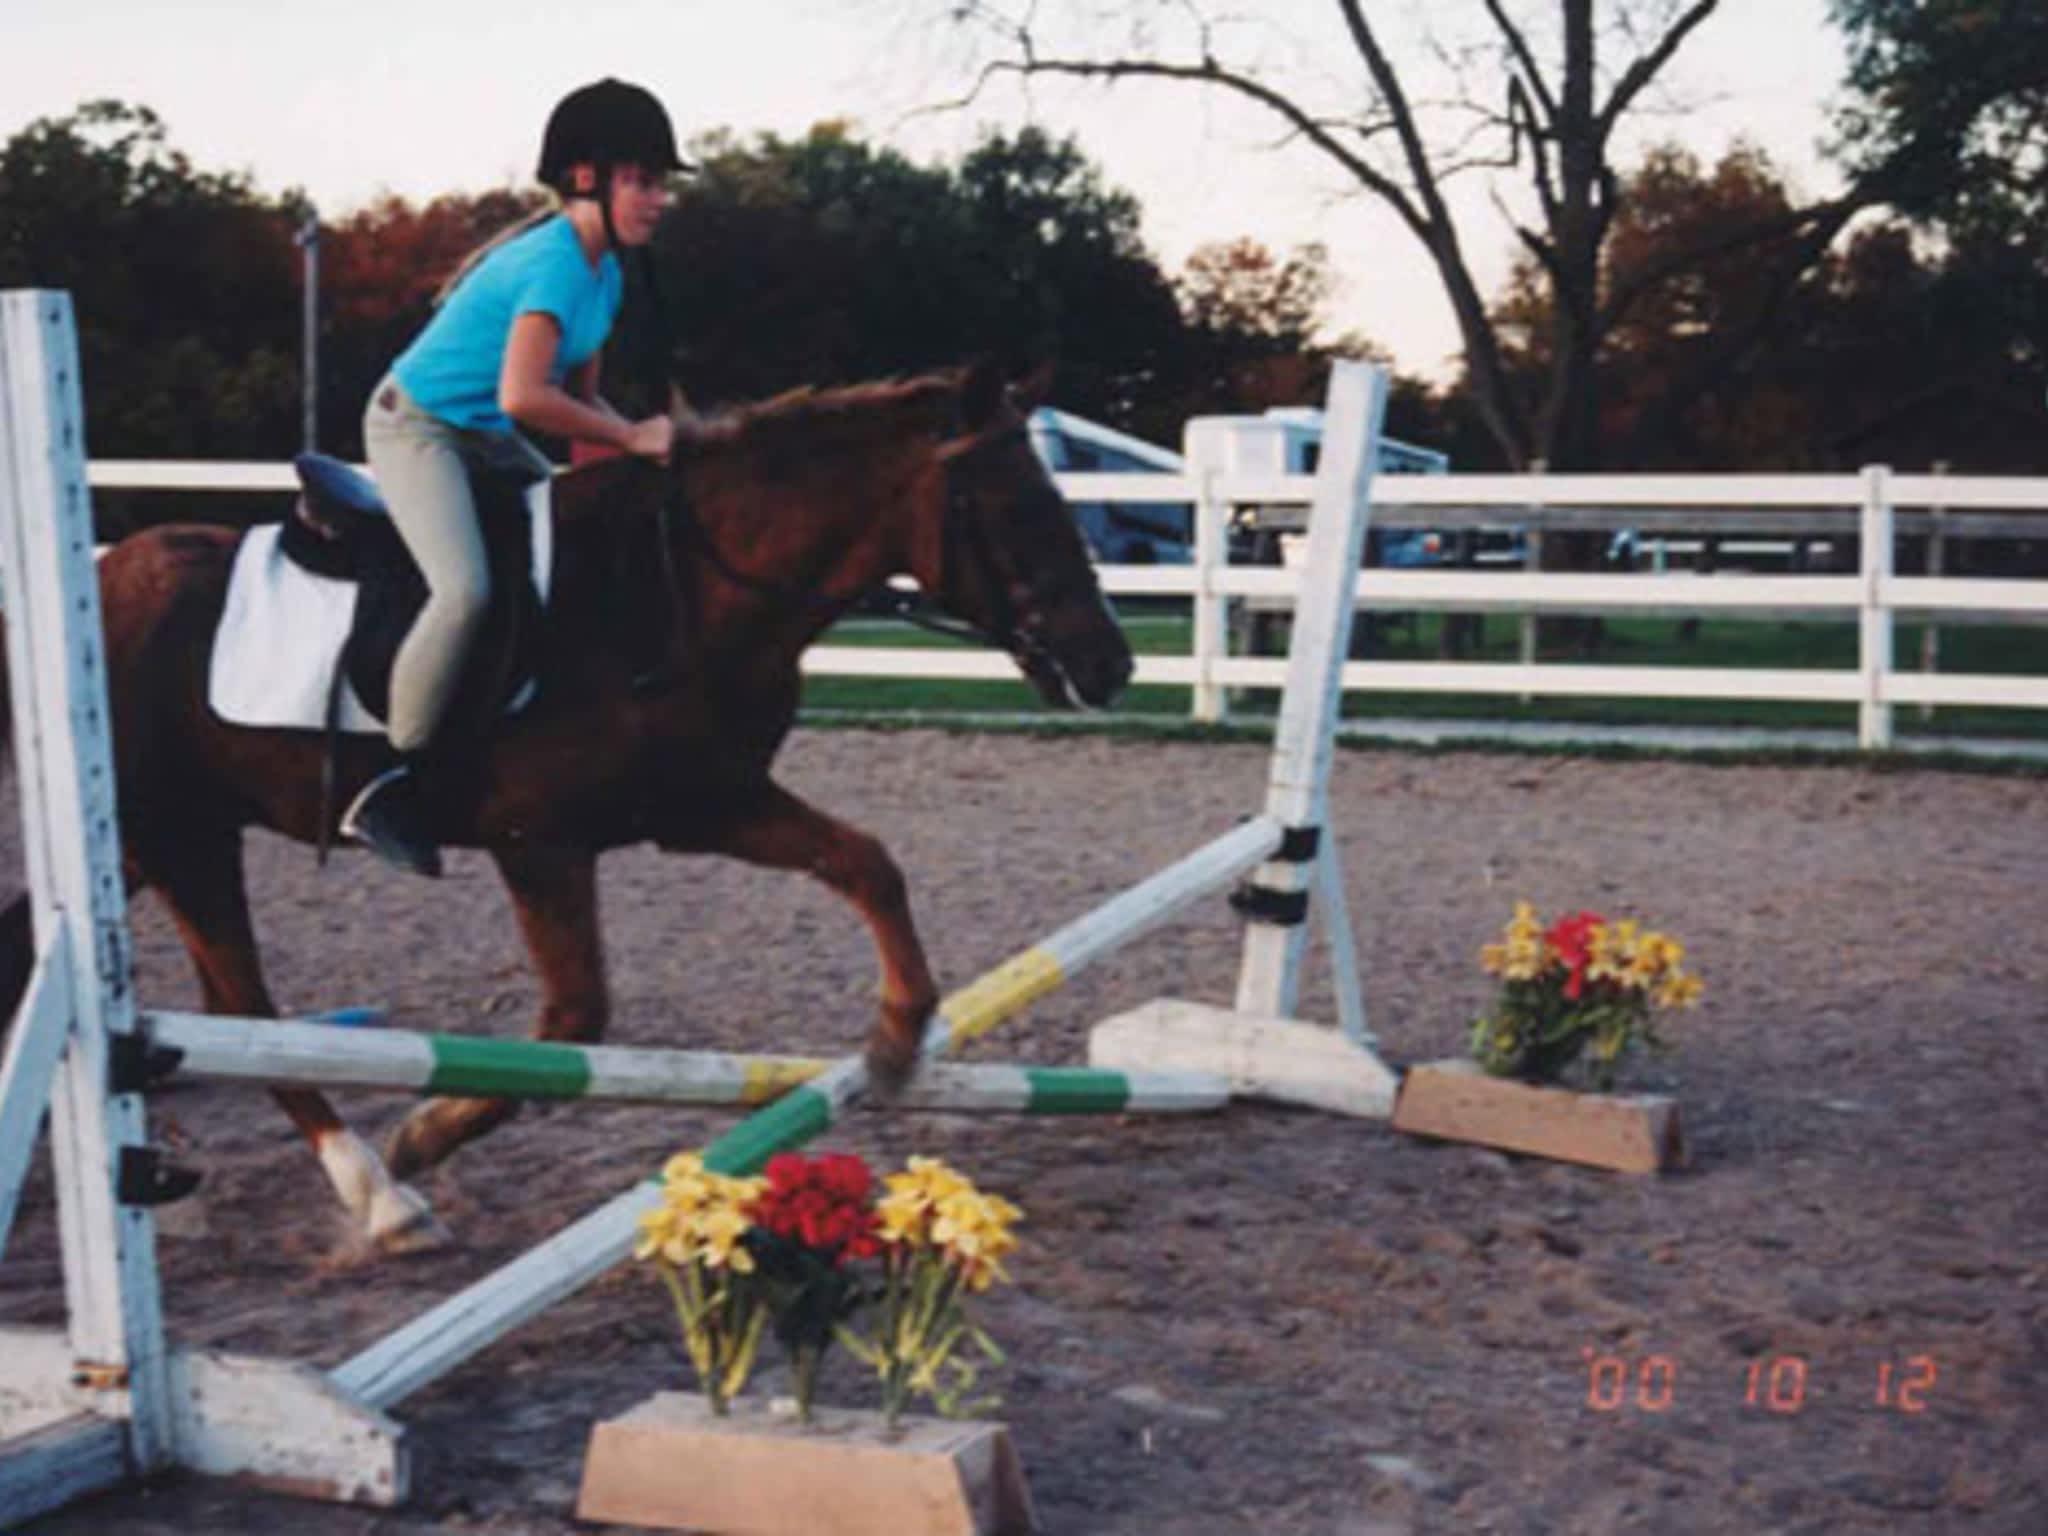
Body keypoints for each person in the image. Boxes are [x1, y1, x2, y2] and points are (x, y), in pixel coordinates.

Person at [342, 78, 709, 878]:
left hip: (487, 436)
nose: (658, 199)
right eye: (643, 181)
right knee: (466, 589)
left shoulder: (606, 272)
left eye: (661, 183)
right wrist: (631, 435)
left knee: (584, 531)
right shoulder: (557, 268)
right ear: (588, 180)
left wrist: (640, 448)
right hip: (419, 428)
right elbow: (523, 396)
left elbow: (580, 403)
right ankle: (391, 779)